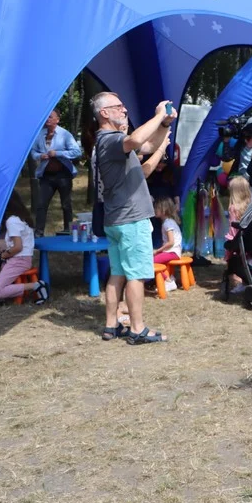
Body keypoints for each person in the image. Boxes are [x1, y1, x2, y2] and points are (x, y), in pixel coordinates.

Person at [92, 91, 174, 344]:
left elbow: (147, 145)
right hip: (131, 219)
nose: (124, 110)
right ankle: (137, 328)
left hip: (118, 220)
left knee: (118, 273)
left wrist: (163, 124)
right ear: (104, 113)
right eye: (119, 106)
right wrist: (158, 114)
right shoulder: (110, 139)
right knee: (136, 275)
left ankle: (110, 326)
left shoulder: (112, 143)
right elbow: (138, 140)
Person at [0, 191, 49, 306]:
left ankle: (36, 285)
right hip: (15, 258)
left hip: (19, 260)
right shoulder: (21, 217)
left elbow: (18, 247)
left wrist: (3, 255)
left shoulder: (12, 221)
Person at [31, 109, 82, 236]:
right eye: (46, 117)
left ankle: (68, 229)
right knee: (41, 204)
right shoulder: (39, 134)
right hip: (46, 175)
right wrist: (40, 156)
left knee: (66, 203)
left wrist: (58, 153)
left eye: (50, 117)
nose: (47, 119)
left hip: (63, 174)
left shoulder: (65, 134)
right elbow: (32, 152)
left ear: (57, 120)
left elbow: (76, 152)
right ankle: (39, 232)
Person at [225, 176, 252, 294]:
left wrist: (229, 245)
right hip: (251, 241)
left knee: (232, 259)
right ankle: (246, 281)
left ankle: (240, 282)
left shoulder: (233, 208)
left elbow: (232, 229)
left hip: (238, 241)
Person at [152, 196, 183, 292]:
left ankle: (168, 281)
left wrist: (158, 250)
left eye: (156, 208)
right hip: (172, 251)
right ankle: (170, 277)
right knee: (155, 259)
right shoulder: (169, 222)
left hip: (172, 252)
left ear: (163, 210)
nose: (154, 210)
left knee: (151, 262)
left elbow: (171, 242)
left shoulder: (167, 224)